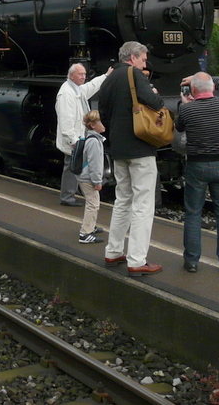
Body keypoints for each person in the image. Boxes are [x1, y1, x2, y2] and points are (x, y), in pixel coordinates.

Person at [98, 40, 166, 275]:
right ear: (134, 57)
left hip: (118, 149)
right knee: (143, 204)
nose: (145, 64)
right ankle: (137, 260)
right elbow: (156, 103)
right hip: (140, 148)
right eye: (144, 59)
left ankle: (113, 251)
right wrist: (155, 92)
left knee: (122, 200)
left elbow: (103, 116)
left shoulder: (108, 79)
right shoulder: (135, 74)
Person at [176, 72, 219, 273]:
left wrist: (184, 104)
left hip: (197, 166)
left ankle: (192, 261)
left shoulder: (187, 109)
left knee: (193, 213)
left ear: (193, 91)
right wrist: (197, 76)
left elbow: (179, 128)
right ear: (212, 88)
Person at [55, 62, 110, 206]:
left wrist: (105, 76)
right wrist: (73, 141)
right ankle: (67, 197)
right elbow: (66, 120)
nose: (83, 77)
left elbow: (90, 87)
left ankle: (73, 194)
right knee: (72, 166)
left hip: (80, 136)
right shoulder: (66, 93)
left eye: (85, 74)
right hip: (74, 138)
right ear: (71, 75)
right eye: (80, 74)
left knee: (76, 165)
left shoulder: (76, 89)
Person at [76, 110, 107, 243]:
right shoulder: (94, 142)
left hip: (85, 177)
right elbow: (95, 164)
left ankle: (91, 226)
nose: (104, 124)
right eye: (101, 121)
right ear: (93, 125)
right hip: (88, 178)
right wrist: (97, 181)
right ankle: (85, 234)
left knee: (93, 203)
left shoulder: (92, 138)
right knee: (93, 205)